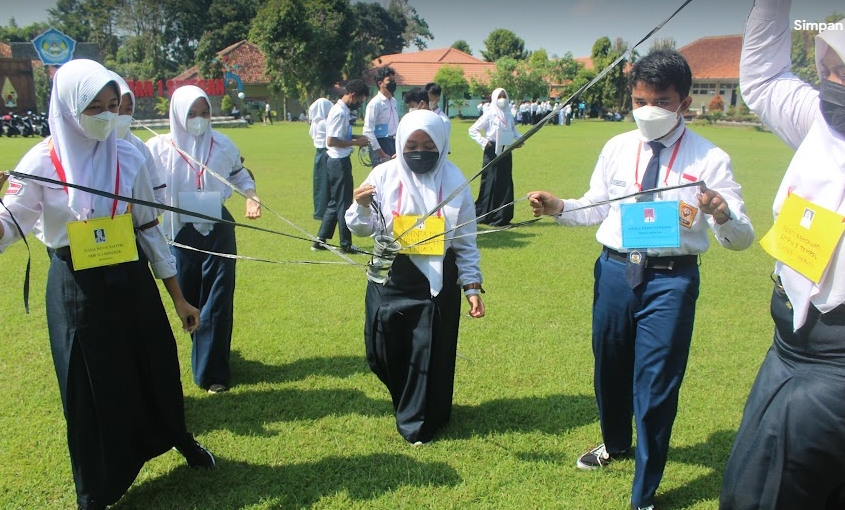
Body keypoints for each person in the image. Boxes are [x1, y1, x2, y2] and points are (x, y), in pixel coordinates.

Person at [528, 49, 754, 510]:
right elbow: (596, 205)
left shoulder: (710, 159)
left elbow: (740, 238)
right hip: (614, 270)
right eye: (639, 100)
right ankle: (615, 442)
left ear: (685, 102)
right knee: (609, 368)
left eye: (662, 101)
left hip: (671, 281)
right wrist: (558, 207)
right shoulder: (616, 147)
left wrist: (723, 215)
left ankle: (644, 494)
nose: (648, 111)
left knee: (655, 385)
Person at [0, 59, 213, 510]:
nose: (105, 116)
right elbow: (8, 226)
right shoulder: (39, 162)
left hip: (131, 278)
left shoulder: (129, 153)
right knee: (89, 384)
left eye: (112, 105)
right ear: (66, 107)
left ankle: (179, 439)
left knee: (154, 364)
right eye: (92, 107)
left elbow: (149, 228)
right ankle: (96, 489)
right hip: (76, 287)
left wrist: (178, 298)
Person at [720, 3, 845, 509]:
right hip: (790, 342)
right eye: (830, 66)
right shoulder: (822, 122)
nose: (832, 78)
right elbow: (765, 78)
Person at [345, 110, 485, 445]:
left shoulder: (456, 182)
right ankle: (412, 403)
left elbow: (465, 243)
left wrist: (472, 286)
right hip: (390, 275)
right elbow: (360, 228)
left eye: (428, 144)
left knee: (428, 351)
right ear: (400, 143)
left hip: (436, 283)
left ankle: (418, 422)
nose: (420, 151)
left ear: (441, 144)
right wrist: (361, 206)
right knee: (381, 351)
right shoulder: (382, 175)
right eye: (412, 143)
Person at [146, 85, 261, 394]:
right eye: (192, 114)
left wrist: (251, 197)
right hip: (178, 232)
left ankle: (213, 374)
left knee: (218, 300)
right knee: (190, 297)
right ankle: (204, 353)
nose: (199, 119)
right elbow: (144, 190)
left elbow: (240, 175)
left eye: (205, 112)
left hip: (218, 228)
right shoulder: (157, 149)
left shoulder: (222, 144)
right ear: (177, 115)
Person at [312, 79, 370, 253]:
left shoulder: (342, 111)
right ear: (352, 95)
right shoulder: (339, 112)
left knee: (334, 202)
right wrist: (356, 142)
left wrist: (357, 138)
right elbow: (331, 140)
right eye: (360, 100)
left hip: (336, 161)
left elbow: (341, 135)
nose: (360, 104)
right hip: (338, 161)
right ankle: (346, 244)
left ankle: (320, 240)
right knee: (343, 203)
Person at [109, 71, 167, 212]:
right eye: (116, 108)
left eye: (128, 109)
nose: (122, 115)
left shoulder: (139, 148)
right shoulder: (84, 150)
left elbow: (159, 198)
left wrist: (137, 214)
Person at [468, 87, 521, 226]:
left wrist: (520, 139)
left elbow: (514, 130)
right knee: (490, 181)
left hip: (506, 149)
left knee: (505, 181)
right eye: (499, 96)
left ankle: (502, 215)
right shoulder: (489, 114)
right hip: (492, 150)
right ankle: (485, 214)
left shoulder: (509, 114)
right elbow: (472, 130)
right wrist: (484, 142)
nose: (502, 99)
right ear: (494, 98)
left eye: (504, 96)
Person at [363, 65, 399, 167]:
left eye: (393, 80)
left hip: (393, 142)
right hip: (380, 144)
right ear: (380, 83)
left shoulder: (394, 102)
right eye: (389, 80)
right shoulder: (375, 103)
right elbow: (367, 130)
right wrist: (381, 153)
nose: (393, 83)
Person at [308, 97, 333, 220]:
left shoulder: (315, 122)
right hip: (326, 151)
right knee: (325, 183)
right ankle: (323, 210)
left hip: (319, 152)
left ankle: (319, 209)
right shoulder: (324, 122)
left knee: (319, 182)